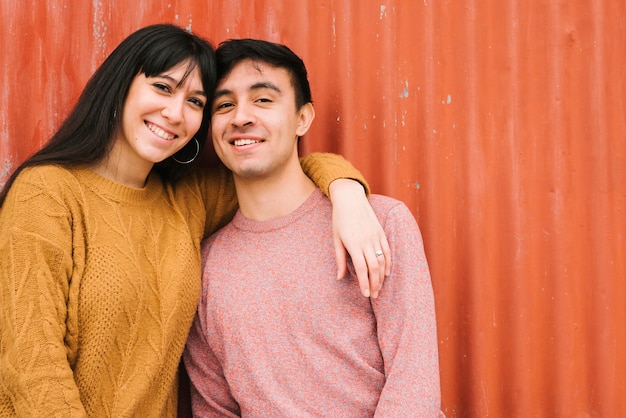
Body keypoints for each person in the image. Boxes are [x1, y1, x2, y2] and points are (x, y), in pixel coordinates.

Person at [0, 24, 392, 417]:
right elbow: (31, 364)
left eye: (196, 102)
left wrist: (346, 193)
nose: (175, 113)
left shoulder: (188, 201)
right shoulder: (46, 192)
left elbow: (280, 168)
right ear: (119, 87)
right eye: (163, 88)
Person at [184, 38, 443, 417]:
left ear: (302, 118)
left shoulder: (379, 223)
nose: (241, 117)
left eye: (263, 100)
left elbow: (413, 386)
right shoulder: (206, 266)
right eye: (225, 105)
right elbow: (213, 408)